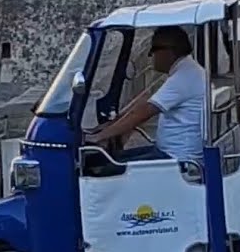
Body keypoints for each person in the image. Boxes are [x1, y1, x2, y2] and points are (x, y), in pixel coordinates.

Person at [85, 26, 207, 162]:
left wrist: (99, 137)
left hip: (176, 158)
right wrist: (112, 123)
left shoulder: (184, 77)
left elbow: (143, 113)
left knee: (101, 166)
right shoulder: (187, 70)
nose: (151, 56)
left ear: (167, 50)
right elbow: (145, 99)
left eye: (152, 50)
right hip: (170, 152)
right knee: (111, 159)